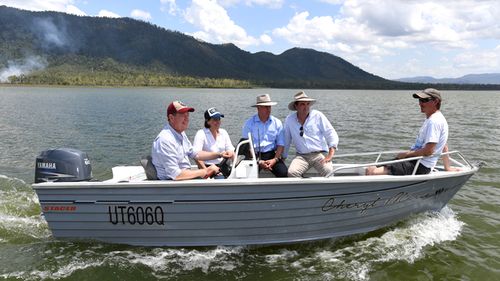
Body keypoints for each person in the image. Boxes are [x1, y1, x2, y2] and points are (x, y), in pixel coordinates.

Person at [366, 88, 451, 175]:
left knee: (372, 171)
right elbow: (443, 144)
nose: (420, 103)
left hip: (420, 166)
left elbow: (428, 151)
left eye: (424, 100)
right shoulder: (434, 119)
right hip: (415, 161)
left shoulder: (434, 121)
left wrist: (406, 154)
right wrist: (447, 167)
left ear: (436, 101)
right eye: (420, 100)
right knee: (371, 167)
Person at [151, 100, 232, 180]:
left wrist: (220, 154)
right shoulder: (165, 140)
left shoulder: (180, 133)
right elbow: (176, 175)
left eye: (187, 115)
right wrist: (206, 171)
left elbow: (195, 154)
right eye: (183, 115)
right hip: (172, 185)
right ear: (171, 118)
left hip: (183, 179)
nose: (187, 119)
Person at [284, 91, 339, 177]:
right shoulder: (289, 120)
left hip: (319, 155)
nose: (306, 107)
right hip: (301, 156)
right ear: (296, 106)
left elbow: (330, 133)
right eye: (302, 104)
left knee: (328, 171)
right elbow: (286, 140)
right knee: (292, 173)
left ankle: (327, 190)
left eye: (308, 104)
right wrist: (282, 157)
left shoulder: (318, 116)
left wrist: (330, 155)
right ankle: (304, 190)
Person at [241, 94, 288, 177]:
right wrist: (258, 161)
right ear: (258, 108)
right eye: (265, 107)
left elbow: (281, 144)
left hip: (271, 154)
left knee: (283, 173)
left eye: (269, 107)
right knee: (244, 175)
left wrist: (275, 159)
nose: (268, 109)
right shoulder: (249, 123)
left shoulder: (277, 123)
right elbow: (247, 146)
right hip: (253, 155)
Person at [193, 107, 235, 178]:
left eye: (219, 119)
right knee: (221, 180)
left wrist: (230, 153)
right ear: (207, 121)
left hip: (224, 166)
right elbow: (196, 156)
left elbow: (230, 149)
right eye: (215, 119)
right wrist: (206, 172)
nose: (218, 121)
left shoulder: (223, 132)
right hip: (209, 167)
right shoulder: (201, 134)